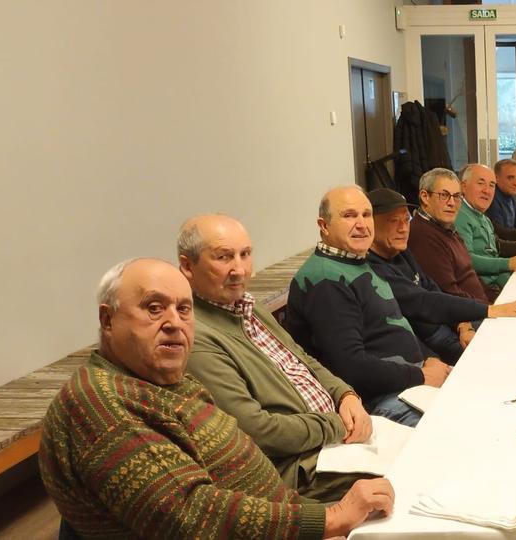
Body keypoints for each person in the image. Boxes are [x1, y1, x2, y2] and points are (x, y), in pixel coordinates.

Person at [40, 258, 395, 538]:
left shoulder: (161, 380)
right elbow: (192, 516)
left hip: (285, 519)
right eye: (153, 308)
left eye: (183, 309)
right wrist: (329, 519)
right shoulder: (101, 404)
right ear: (107, 320)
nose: (173, 323)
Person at [177, 215, 376, 502]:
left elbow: (304, 359)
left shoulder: (248, 306)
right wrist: (336, 425)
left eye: (245, 254)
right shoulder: (198, 338)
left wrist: (345, 395)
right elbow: (257, 431)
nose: (239, 269)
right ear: (187, 266)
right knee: (412, 476)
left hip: (337, 441)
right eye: (223, 257)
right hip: (304, 469)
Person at [287, 186, 451, 427]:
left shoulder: (357, 263)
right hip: (378, 400)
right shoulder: (325, 281)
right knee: (461, 428)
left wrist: (430, 358)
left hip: (411, 381)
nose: (362, 224)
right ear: (324, 225)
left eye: (366, 214)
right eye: (349, 215)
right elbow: (351, 367)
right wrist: (421, 375)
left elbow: (395, 325)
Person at [366, 184, 516, 364]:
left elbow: (432, 287)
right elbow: (423, 301)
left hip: (452, 325)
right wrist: (488, 310)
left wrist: (462, 323)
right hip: (432, 340)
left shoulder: (400, 250)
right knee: (509, 355)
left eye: (405, 220)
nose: (403, 228)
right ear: (370, 225)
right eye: (393, 221)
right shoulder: (375, 266)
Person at [455, 163, 516, 294]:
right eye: (481, 183)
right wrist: (509, 264)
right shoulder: (460, 216)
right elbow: (467, 260)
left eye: (491, 185)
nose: (487, 190)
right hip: (484, 291)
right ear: (463, 186)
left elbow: (496, 249)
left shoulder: (481, 215)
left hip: (498, 282)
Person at [408, 167, 493, 303]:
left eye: (456, 196)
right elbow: (449, 294)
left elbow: (471, 275)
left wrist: (497, 301)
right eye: (444, 195)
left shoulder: (445, 227)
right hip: (470, 316)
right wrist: (491, 308)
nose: (452, 203)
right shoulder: (423, 236)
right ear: (425, 197)